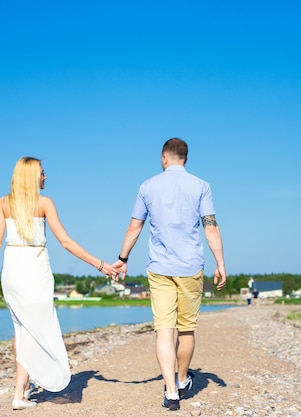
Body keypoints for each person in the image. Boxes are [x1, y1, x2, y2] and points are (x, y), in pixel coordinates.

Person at [0, 157, 116, 411]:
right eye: (42, 172)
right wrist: (100, 264)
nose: (46, 176)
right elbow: (66, 242)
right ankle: (21, 391)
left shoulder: (3, 203)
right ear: (31, 176)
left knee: (23, 329)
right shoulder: (43, 203)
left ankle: (22, 389)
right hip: (34, 269)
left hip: (11, 270)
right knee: (35, 328)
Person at [111, 138, 226, 411]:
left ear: (164, 158)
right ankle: (183, 379)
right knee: (186, 329)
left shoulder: (147, 186)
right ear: (185, 158)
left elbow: (134, 226)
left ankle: (172, 393)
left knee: (164, 330)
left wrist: (122, 259)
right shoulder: (201, 186)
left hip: (160, 269)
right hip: (190, 267)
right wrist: (220, 262)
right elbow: (210, 227)